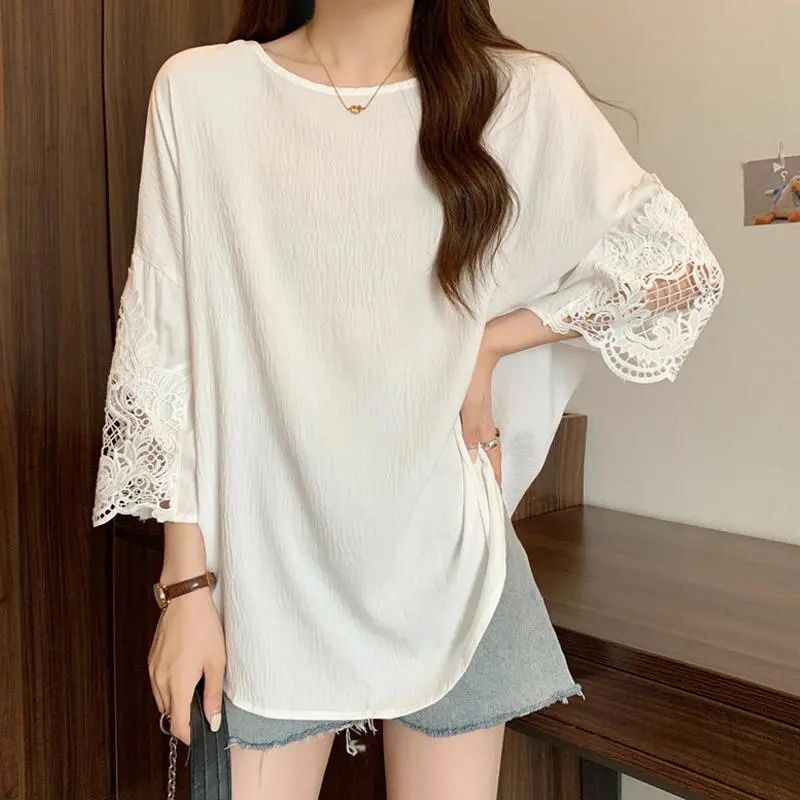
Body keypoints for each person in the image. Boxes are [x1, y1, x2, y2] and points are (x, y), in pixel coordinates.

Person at [90, 1, 724, 797]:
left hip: (451, 566)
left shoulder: (515, 96)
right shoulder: (201, 93)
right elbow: (166, 345)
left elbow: (679, 271)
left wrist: (491, 342)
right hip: (268, 576)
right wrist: (185, 588)